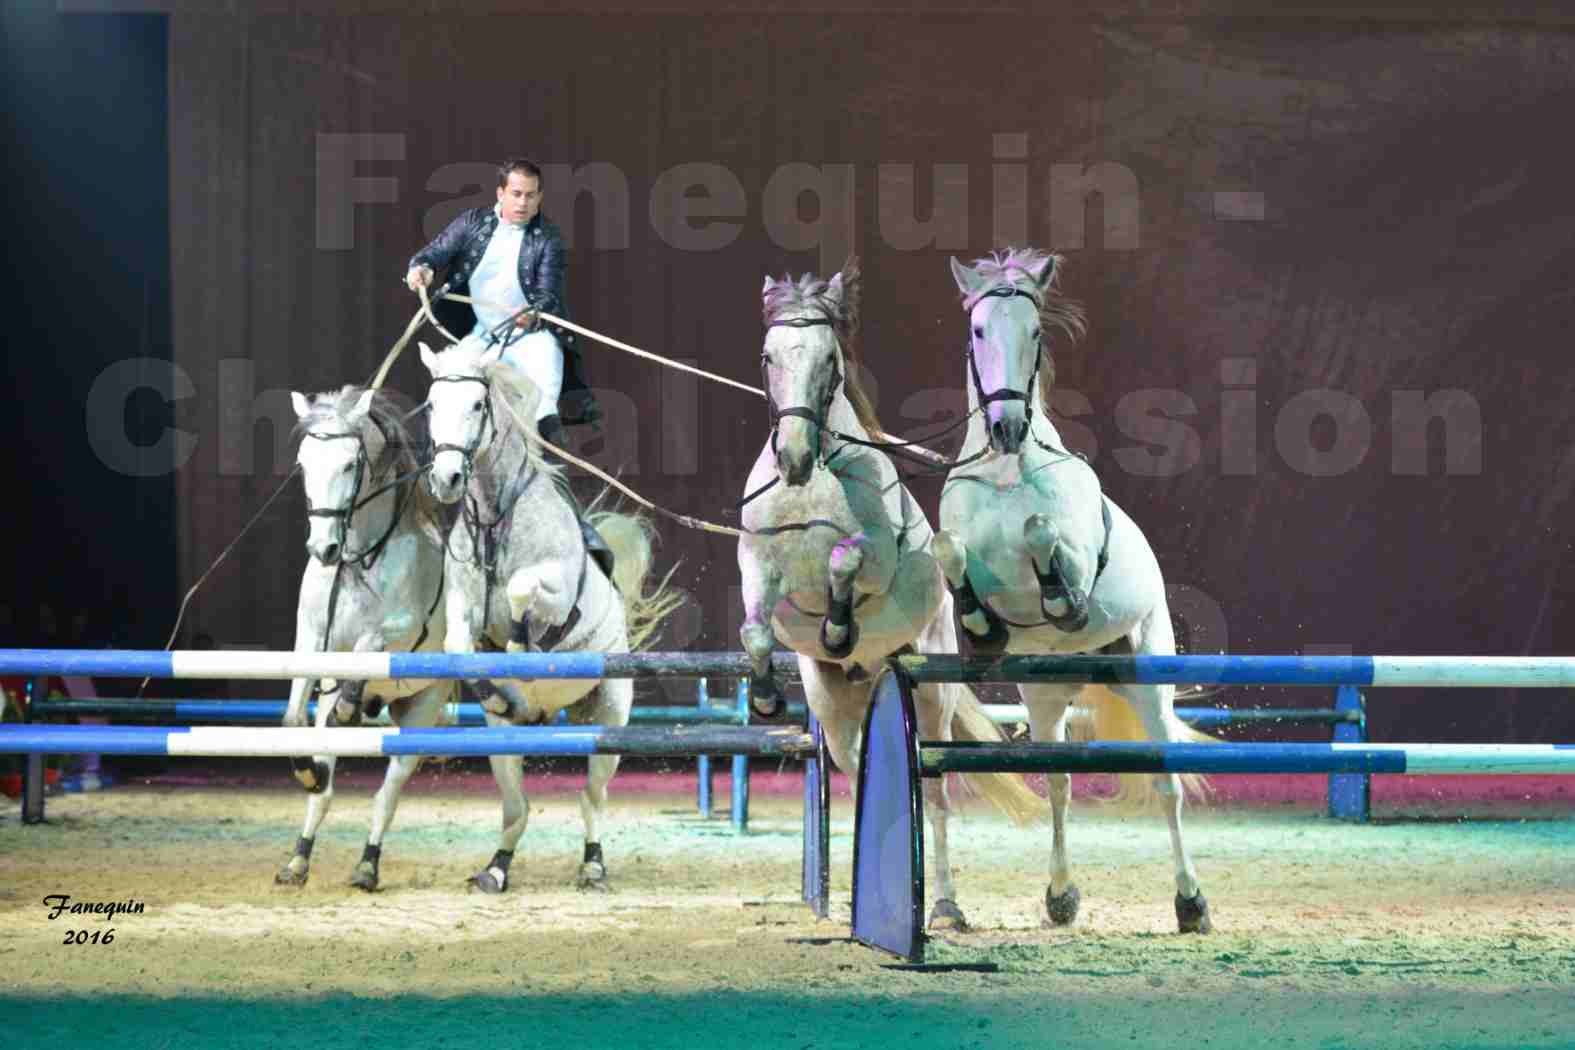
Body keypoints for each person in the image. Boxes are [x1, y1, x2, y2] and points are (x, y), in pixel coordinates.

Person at [406, 157, 601, 446]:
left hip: (529, 336)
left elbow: (549, 292)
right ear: (501, 193)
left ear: (539, 198)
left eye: (530, 195)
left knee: (547, 382)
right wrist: (421, 268)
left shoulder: (548, 238)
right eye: (516, 194)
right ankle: (443, 459)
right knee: (452, 385)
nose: (523, 203)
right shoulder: (472, 222)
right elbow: (435, 252)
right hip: (482, 335)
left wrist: (534, 313)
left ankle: (550, 462)